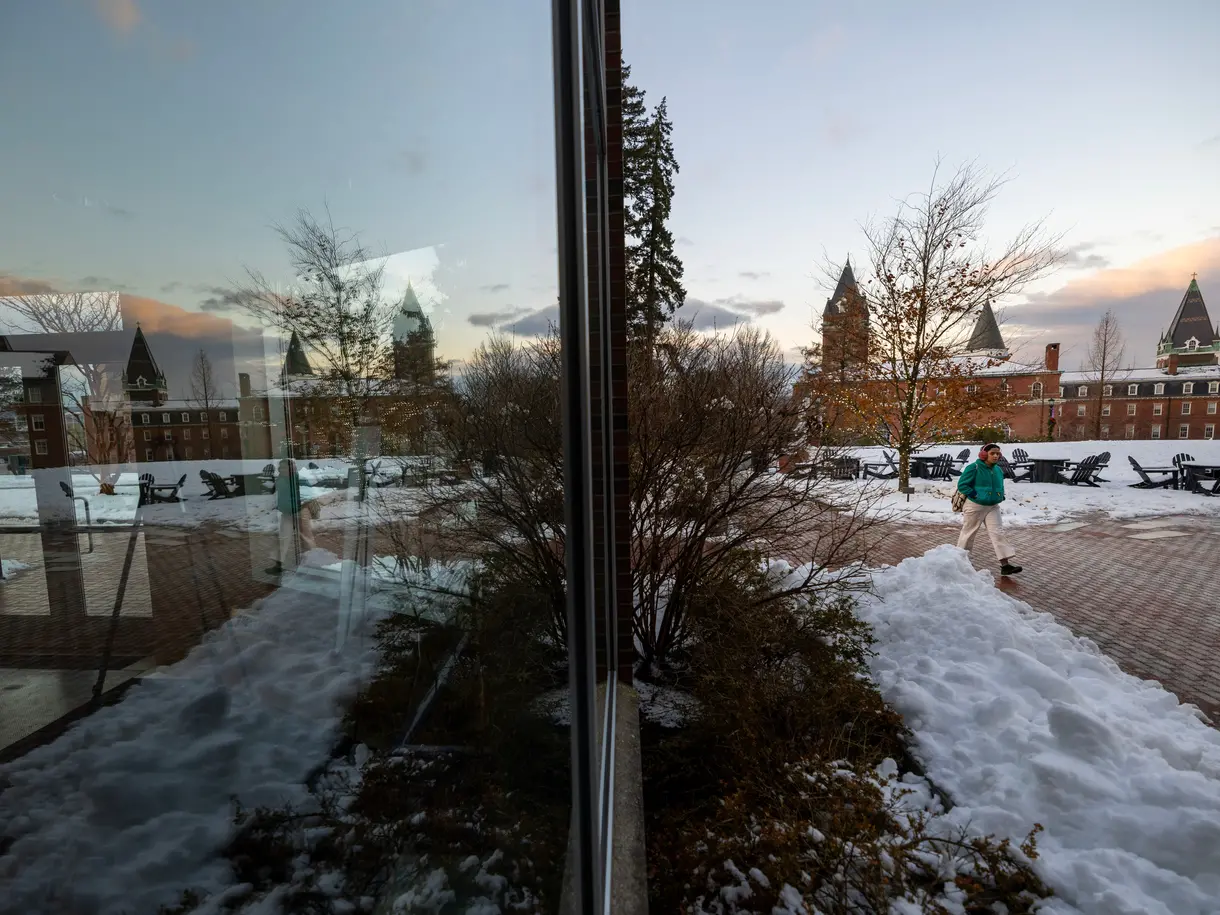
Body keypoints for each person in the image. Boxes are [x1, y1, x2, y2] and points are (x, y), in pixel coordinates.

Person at [956, 443, 1022, 576]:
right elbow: (962, 485)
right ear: (984, 454)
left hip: (993, 506)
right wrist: (975, 494)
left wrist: (1000, 494)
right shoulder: (973, 467)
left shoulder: (998, 469)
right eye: (992, 453)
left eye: (998, 453)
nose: (996, 456)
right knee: (968, 533)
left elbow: (999, 485)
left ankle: (1005, 565)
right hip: (975, 505)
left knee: (998, 533)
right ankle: (959, 563)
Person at [267, 457, 317, 576]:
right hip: (287, 512)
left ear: (292, 468)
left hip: (300, 511)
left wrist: (300, 505)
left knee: (306, 537)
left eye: (285, 467)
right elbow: (277, 493)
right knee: (283, 538)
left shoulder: (299, 479)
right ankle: (278, 565)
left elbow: (309, 493)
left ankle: (313, 562)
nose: (282, 469)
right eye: (281, 467)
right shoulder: (280, 479)